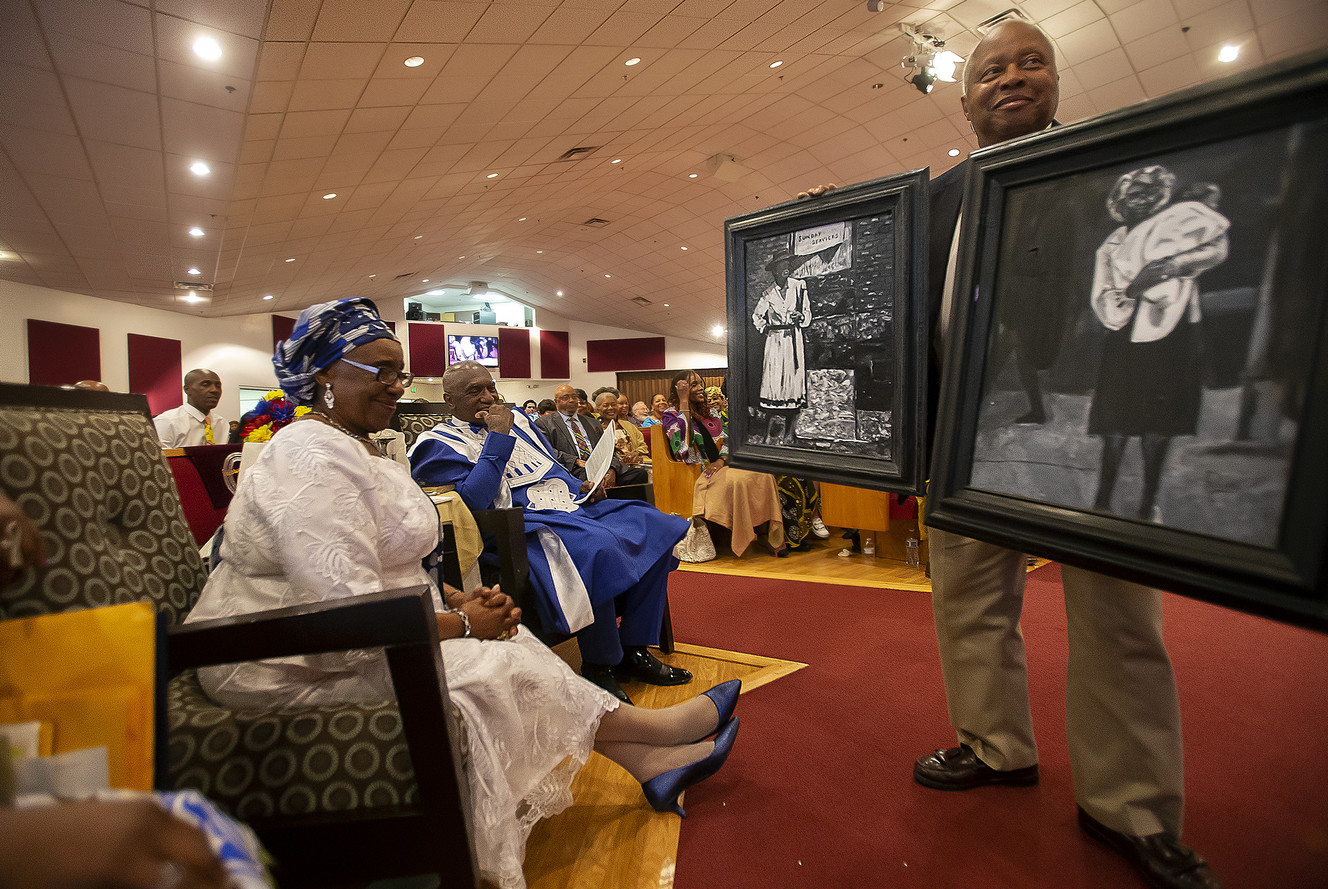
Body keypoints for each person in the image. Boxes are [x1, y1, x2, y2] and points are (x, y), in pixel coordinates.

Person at [185, 299, 741, 889]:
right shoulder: (305, 454)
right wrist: (461, 623)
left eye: (399, 372)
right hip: (280, 653)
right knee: (493, 662)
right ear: (324, 374)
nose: (396, 386)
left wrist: (451, 596)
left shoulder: (357, 446)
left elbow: (386, 561)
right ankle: (652, 740)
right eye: (380, 371)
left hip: (361, 621)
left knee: (516, 641)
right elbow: (343, 610)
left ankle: (652, 757)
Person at [906, 21, 1222, 889]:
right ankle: (995, 746)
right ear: (963, 97)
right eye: (990, 70)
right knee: (967, 606)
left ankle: (1133, 808)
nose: (1010, 78)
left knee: (1119, 618)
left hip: (1088, 432)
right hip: (961, 443)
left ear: (1053, 80)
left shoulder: (1112, 172)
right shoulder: (929, 201)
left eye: (1029, 62)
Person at [412, 362, 694, 705]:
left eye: (489, 387)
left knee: (655, 524)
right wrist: (498, 438)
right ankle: (600, 664)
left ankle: (634, 649)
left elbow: (551, 469)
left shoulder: (524, 426)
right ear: (449, 401)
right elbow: (471, 503)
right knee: (597, 546)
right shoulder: (434, 444)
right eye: (474, 391)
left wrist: (583, 484)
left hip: (572, 507)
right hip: (521, 525)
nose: (487, 397)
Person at [1088, 165, 1230, 521]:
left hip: (1173, 336)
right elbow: (1104, 301)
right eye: (1134, 195)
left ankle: (1147, 504)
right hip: (1123, 338)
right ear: (1121, 201)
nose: (1142, 201)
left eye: (1148, 194)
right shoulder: (1112, 245)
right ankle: (1102, 502)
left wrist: (1171, 266)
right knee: (1116, 427)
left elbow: (1215, 248)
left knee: (1158, 428)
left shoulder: (1178, 229)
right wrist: (1136, 287)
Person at [662, 370, 785, 558]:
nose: (700, 388)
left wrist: (721, 460)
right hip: (697, 470)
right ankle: (740, 537)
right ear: (679, 391)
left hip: (720, 465)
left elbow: (729, 439)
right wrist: (684, 402)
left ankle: (764, 534)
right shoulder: (670, 415)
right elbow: (682, 449)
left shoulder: (711, 412)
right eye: (692, 385)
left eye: (700, 383)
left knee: (764, 475)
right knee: (738, 482)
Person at [752, 246, 811, 444]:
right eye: (782, 265)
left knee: (793, 384)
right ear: (775, 269)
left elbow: (808, 315)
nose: (786, 268)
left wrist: (801, 316)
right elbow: (756, 316)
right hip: (775, 342)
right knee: (774, 385)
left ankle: (789, 434)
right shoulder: (768, 293)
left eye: (788, 264)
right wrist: (766, 327)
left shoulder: (799, 286)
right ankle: (768, 434)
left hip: (793, 339)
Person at [535, 384, 646, 486]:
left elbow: (608, 449)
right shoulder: (545, 423)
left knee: (639, 474)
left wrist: (611, 469)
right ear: (556, 402)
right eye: (565, 398)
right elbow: (546, 450)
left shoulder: (592, 422)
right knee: (588, 478)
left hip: (600, 466)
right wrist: (575, 460)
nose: (571, 400)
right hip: (575, 468)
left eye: (574, 397)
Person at [153, 369, 226, 447]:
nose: (214, 390)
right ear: (187, 389)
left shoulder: (222, 424)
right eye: (205, 385)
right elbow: (160, 458)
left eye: (218, 386)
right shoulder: (167, 421)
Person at [594, 389, 649, 467]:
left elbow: (643, 445)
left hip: (637, 463)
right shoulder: (595, 428)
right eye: (606, 405)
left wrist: (636, 452)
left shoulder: (628, 425)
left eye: (613, 404)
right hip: (614, 467)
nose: (610, 408)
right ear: (598, 410)